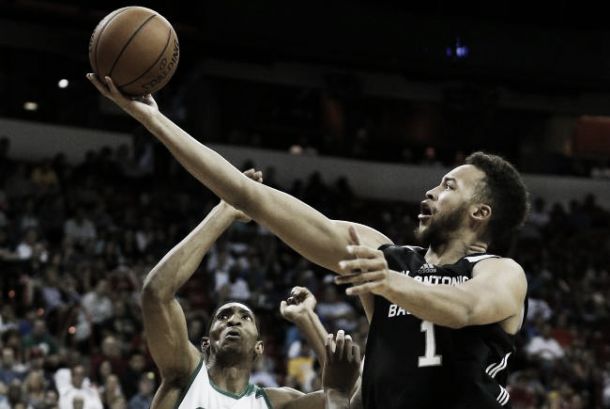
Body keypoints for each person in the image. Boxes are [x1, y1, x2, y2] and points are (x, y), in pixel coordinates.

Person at [88, 74, 530, 408]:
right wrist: (154, 119)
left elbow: (464, 309)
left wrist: (386, 281)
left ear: (480, 214)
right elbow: (251, 197)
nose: (432, 191)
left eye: (450, 186)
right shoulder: (388, 257)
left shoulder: (499, 273)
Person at [138, 169, 356, 409]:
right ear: (206, 344)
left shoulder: (277, 402)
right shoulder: (185, 374)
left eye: (245, 317)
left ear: (259, 347)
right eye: (223, 316)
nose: (234, 320)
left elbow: (342, 394)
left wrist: (307, 318)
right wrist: (225, 211)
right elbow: (155, 293)